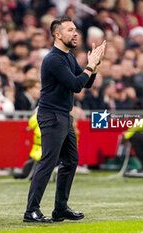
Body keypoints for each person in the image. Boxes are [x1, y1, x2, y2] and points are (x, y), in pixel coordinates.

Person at [23, 17, 106, 223]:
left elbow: (85, 83)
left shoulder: (67, 57)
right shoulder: (53, 59)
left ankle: (60, 208)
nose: (75, 33)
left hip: (63, 115)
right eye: (70, 29)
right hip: (52, 115)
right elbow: (76, 85)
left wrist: (93, 66)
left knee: (71, 160)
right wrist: (90, 65)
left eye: (75, 29)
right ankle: (31, 211)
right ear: (57, 34)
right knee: (48, 162)